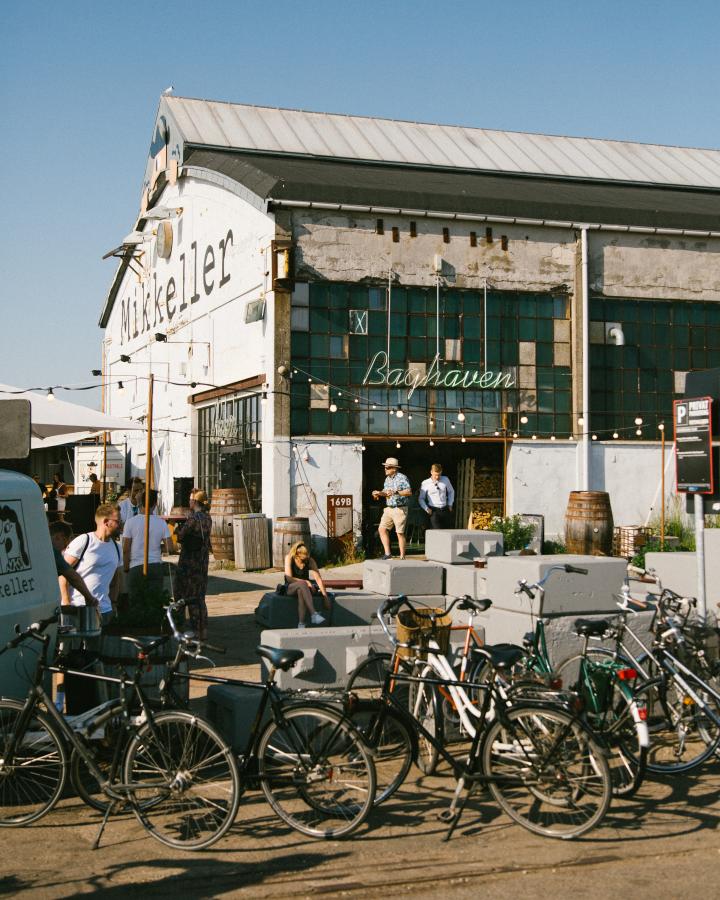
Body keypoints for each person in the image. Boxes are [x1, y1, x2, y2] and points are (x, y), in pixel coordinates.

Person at [62, 503, 122, 626]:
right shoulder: (84, 541)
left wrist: (114, 603)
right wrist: (66, 602)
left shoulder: (117, 547)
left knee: (99, 645)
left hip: (104, 610)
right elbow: (62, 573)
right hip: (77, 608)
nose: (121, 524)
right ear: (106, 522)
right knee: (73, 645)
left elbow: (116, 579)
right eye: (118, 521)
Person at [173, 489, 213, 639]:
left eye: (190, 499)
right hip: (202, 561)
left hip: (189, 561)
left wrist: (178, 530)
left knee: (184, 594)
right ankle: (202, 631)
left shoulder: (193, 518)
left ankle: (185, 628)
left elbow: (181, 537)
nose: (189, 502)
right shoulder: (208, 518)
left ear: (195, 502)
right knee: (200, 596)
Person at [122, 489, 171, 598]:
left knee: (135, 601)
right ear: (155, 504)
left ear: (141, 502)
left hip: (135, 566)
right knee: (154, 601)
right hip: (155, 565)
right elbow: (170, 547)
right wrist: (157, 547)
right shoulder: (162, 523)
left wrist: (126, 568)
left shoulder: (130, 522)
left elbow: (126, 549)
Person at [372, 457, 412, 559]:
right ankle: (387, 553)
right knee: (381, 529)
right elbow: (386, 493)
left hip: (400, 508)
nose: (385, 469)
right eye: (385, 467)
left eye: (388, 467)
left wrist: (396, 492)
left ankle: (402, 556)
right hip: (389, 508)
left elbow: (409, 492)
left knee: (399, 533)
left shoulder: (402, 478)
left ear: (394, 468)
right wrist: (378, 493)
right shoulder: (387, 479)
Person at [284, 540, 330, 629]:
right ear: (296, 554)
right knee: (302, 584)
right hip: (290, 587)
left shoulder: (310, 560)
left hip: (303, 588)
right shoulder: (289, 558)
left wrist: (325, 597)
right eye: (302, 558)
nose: (304, 560)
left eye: (306, 557)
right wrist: (306, 582)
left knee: (301, 591)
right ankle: (313, 613)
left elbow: (318, 579)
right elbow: (289, 578)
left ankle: (301, 624)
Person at [419, 463, 455, 529]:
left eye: (439, 475)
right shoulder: (425, 483)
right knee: (436, 532)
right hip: (433, 511)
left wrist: (450, 504)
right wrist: (426, 508)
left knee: (447, 532)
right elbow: (421, 498)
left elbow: (451, 491)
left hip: (445, 509)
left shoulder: (445, 479)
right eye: (436, 475)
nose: (437, 477)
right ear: (431, 472)